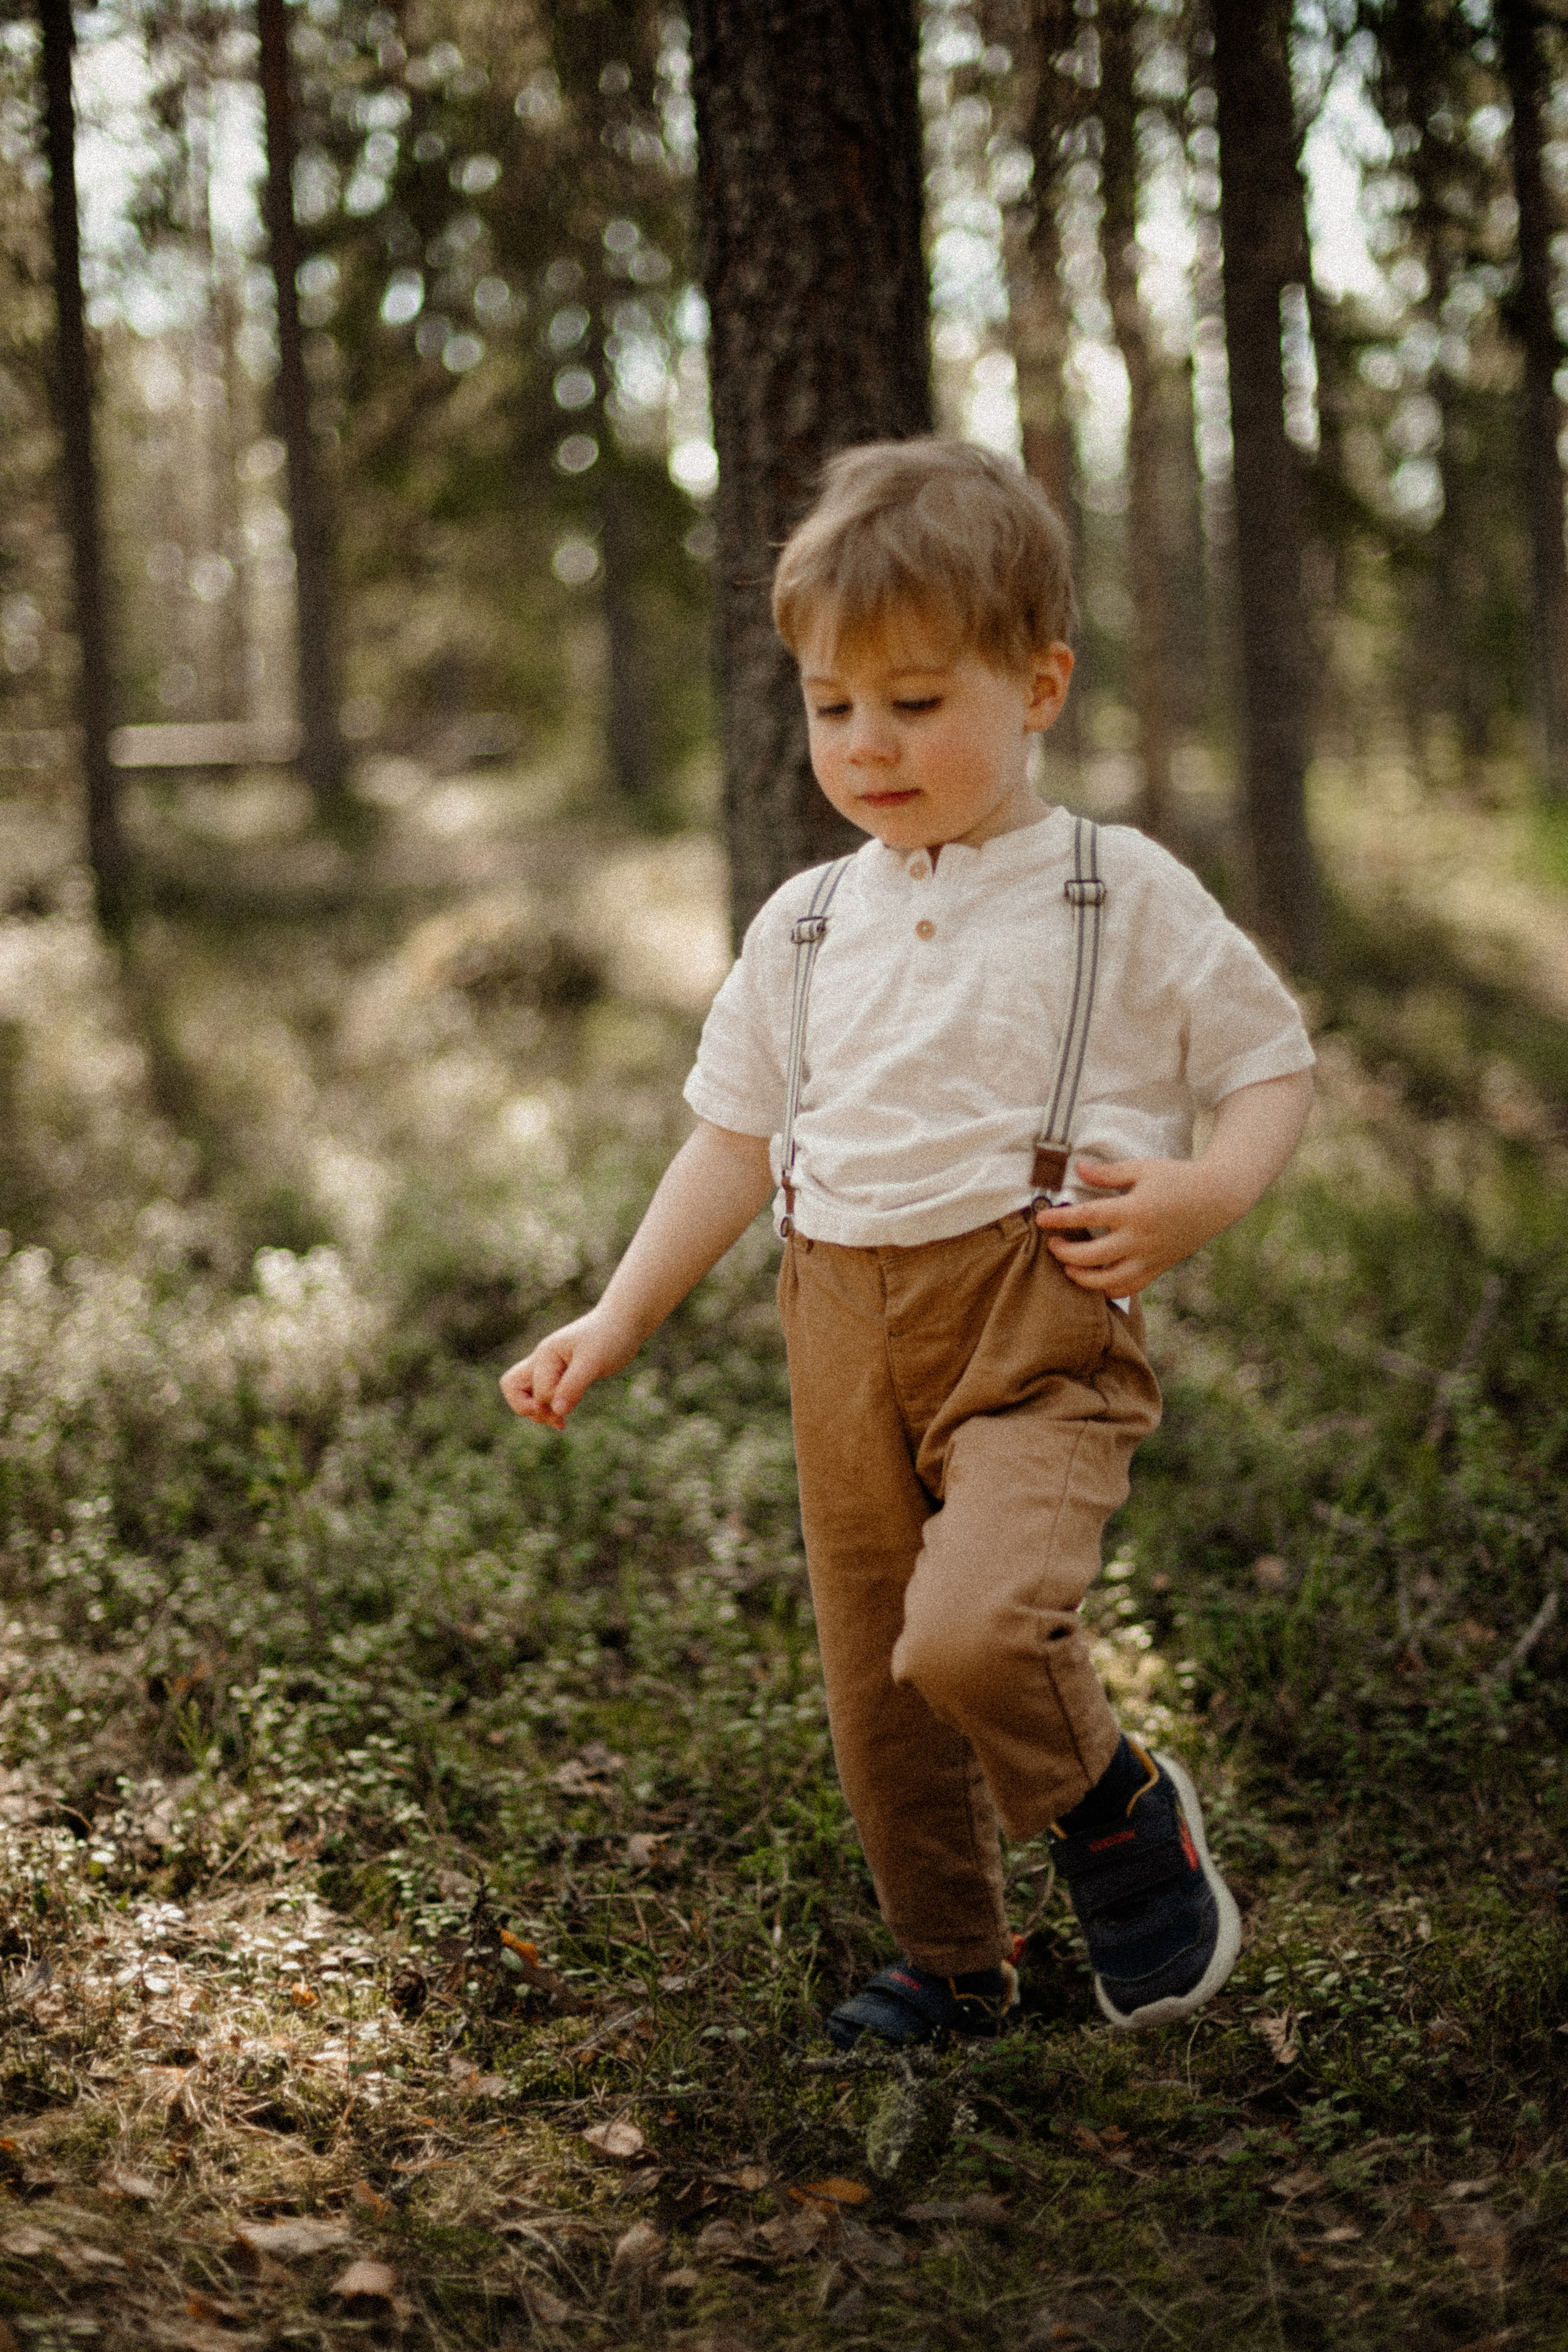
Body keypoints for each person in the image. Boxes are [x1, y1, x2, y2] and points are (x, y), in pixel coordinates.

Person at [502, 440, 1314, 2045]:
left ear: (1040, 685)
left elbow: (1268, 1063)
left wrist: (1202, 1195)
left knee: (972, 1632)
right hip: (838, 1326)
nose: (867, 745)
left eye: (918, 702)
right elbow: (735, 1139)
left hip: (1037, 1321)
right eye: (830, 706)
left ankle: (1116, 1811)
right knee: (878, 1680)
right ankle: (956, 1962)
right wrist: (615, 1317)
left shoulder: (1111, 889)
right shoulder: (807, 922)